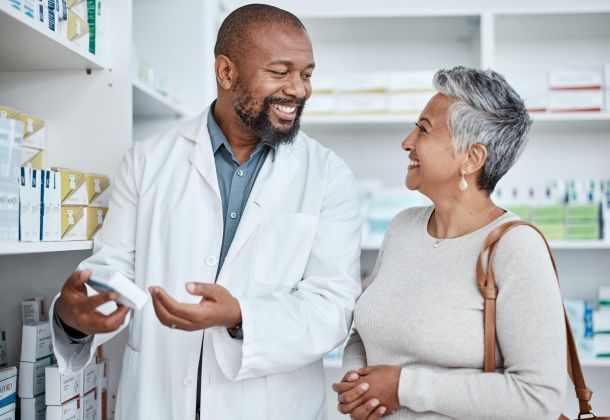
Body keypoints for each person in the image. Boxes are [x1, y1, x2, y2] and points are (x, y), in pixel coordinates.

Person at [49, 4, 362, 420]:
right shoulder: (148, 161)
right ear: (226, 73)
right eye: (280, 72)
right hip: (159, 401)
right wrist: (74, 317)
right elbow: (111, 273)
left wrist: (240, 315)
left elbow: (333, 309)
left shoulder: (328, 175)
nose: (299, 89)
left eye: (306, 74)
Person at [333, 67, 567, 419]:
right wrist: (359, 385)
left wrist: (403, 388)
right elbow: (364, 331)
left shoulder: (516, 248)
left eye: (424, 129)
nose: (407, 141)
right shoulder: (403, 228)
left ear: (471, 158)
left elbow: (538, 398)